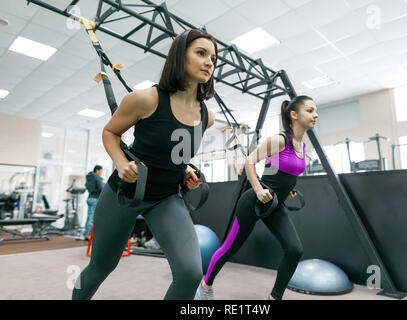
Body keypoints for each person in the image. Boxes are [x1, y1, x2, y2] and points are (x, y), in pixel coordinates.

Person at [72, 29, 217, 300]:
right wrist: (120, 162)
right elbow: (110, 133)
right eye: (201, 53)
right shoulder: (146, 99)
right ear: (179, 57)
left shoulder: (206, 116)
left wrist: (185, 169)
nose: (210, 61)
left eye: (213, 57)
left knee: (190, 273)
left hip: (165, 197)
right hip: (124, 194)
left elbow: (177, 151)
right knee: (101, 266)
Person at [197, 96, 318, 300]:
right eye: (310, 110)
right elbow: (250, 161)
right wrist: (259, 189)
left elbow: (283, 173)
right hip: (254, 201)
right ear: (294, 115)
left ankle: (274, 298)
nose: (315, 115)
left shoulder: (302, 146)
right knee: (229, 248)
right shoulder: (280, 140)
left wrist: (287, 190)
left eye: (315, 111)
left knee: (294, 250)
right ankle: (205, 287)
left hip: (276, 205)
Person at [84, 165, 104, 241]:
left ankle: (87, 233)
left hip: (90, 198)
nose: (101, 172)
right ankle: (88, 234)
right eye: (101, 171)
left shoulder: (89, 177)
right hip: (95, 198)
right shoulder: (97, 177)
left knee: (89, 216)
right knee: (92, 217)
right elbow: (101, 188)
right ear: (97, 170)